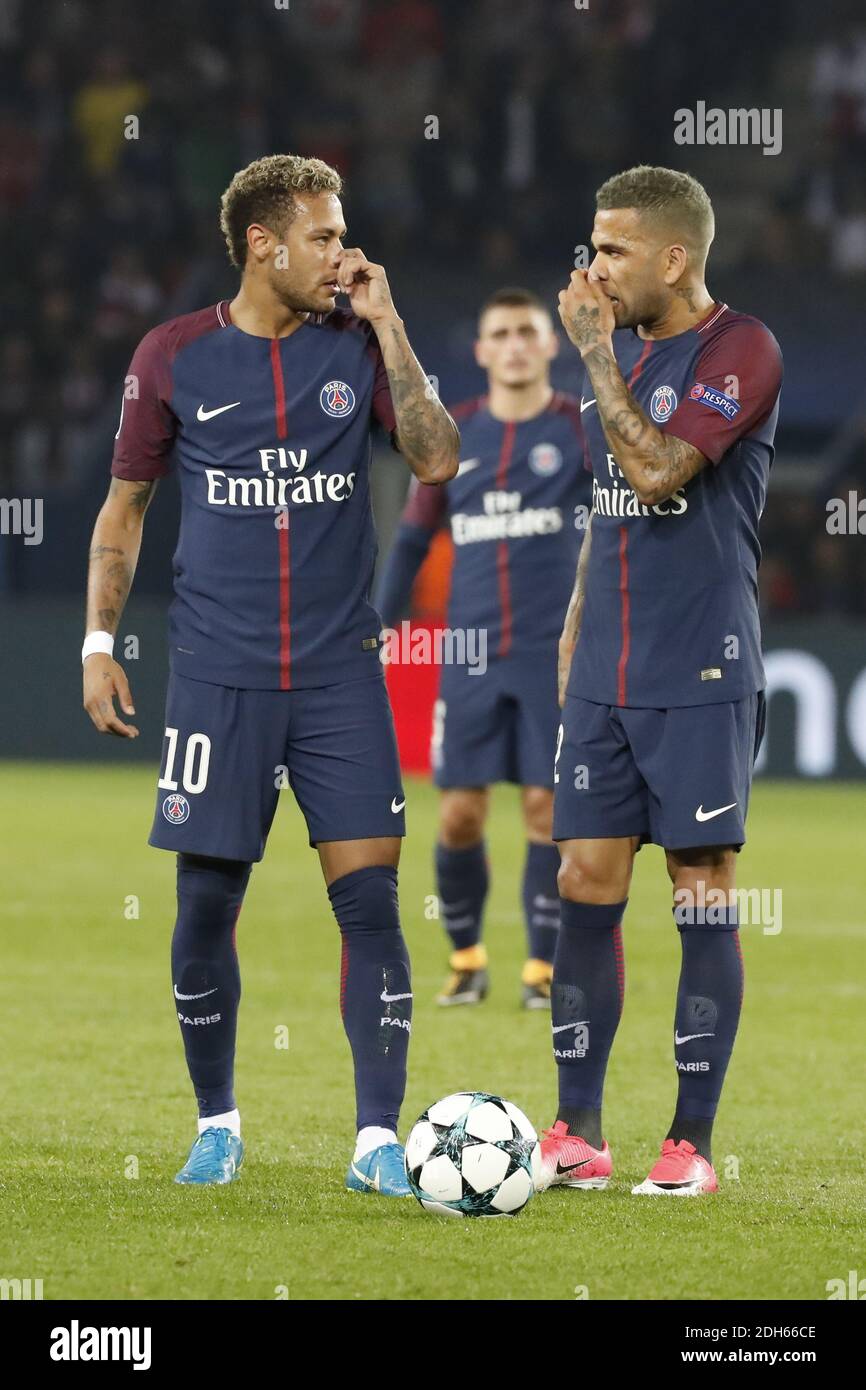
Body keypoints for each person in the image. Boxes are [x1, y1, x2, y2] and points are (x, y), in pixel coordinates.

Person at [82, 154, 459, 1193]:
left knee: (371, 904)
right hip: (217, 673)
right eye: (326, 235)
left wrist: (390, 326)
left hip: (339, 674)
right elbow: (124, 512)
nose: (343, 252)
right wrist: (97, 643)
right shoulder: (173, 358)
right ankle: (218, 1123)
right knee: (204, 907)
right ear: (263, 243)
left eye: (342, 234)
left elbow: (434, 458)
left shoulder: (355, 345)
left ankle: (375, 1138)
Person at [536, 165, 783, 1196]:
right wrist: (575, 626)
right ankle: (576, 1131)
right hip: (605, 674)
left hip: (700, 667)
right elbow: (610, 507)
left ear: (672, 257)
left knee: (700, 895)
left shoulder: (740, 349)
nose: (592, 269)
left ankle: (687, 1143)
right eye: (591, 247)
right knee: (580, 885)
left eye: (612, 250)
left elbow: (655, 470)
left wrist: (592, 352)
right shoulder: (627, 354)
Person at [376, 289, 590, 1008]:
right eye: (501, 333)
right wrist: (379, 622)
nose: (516, 345)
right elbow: (410, 539)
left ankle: (541, 971)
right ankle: (467, 961)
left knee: (543, 811)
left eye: (528, 332)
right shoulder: (454, 434)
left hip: (549, 656)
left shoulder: (581, 429)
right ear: (482, 350)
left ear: (550, 345)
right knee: (459, 813)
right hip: (468, 654)